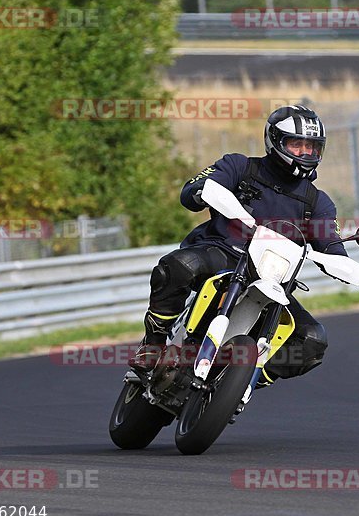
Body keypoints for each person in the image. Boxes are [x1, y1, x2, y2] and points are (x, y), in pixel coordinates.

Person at [130, 105, 347, 387]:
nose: (306, 153)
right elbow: (196, 187)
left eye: (312, 147)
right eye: (297, 145)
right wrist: (200, 191)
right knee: (177, 266)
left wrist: (341, 261)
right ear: (275, 140)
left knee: (312, 339)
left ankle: (241, 382)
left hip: (270, 280)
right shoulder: (239, 167)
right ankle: (154, 343)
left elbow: (331, 241)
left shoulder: (318, 202)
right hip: (222, 255)